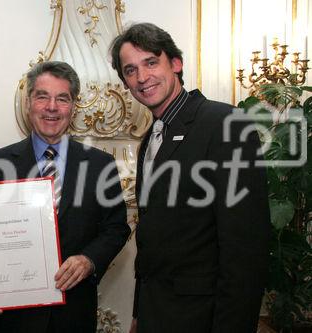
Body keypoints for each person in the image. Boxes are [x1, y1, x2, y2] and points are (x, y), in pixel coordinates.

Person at [109, 23, 271, 333]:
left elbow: (245, 249)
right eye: (131, 70)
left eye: (151, 62)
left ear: (176, 63)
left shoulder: (225, 123)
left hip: (204, 318)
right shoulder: (151, 139)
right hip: (158, 316)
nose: (142, 78)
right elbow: (153, 240)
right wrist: (140, 313)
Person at [0, 61, 130, 332]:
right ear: (29, 103)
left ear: (73, 107)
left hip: (74, 314)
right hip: (14, 319)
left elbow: (116, 228)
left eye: (62, 98)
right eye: (42, 97)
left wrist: (89, 259)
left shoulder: (100, 165)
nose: (52, 107)